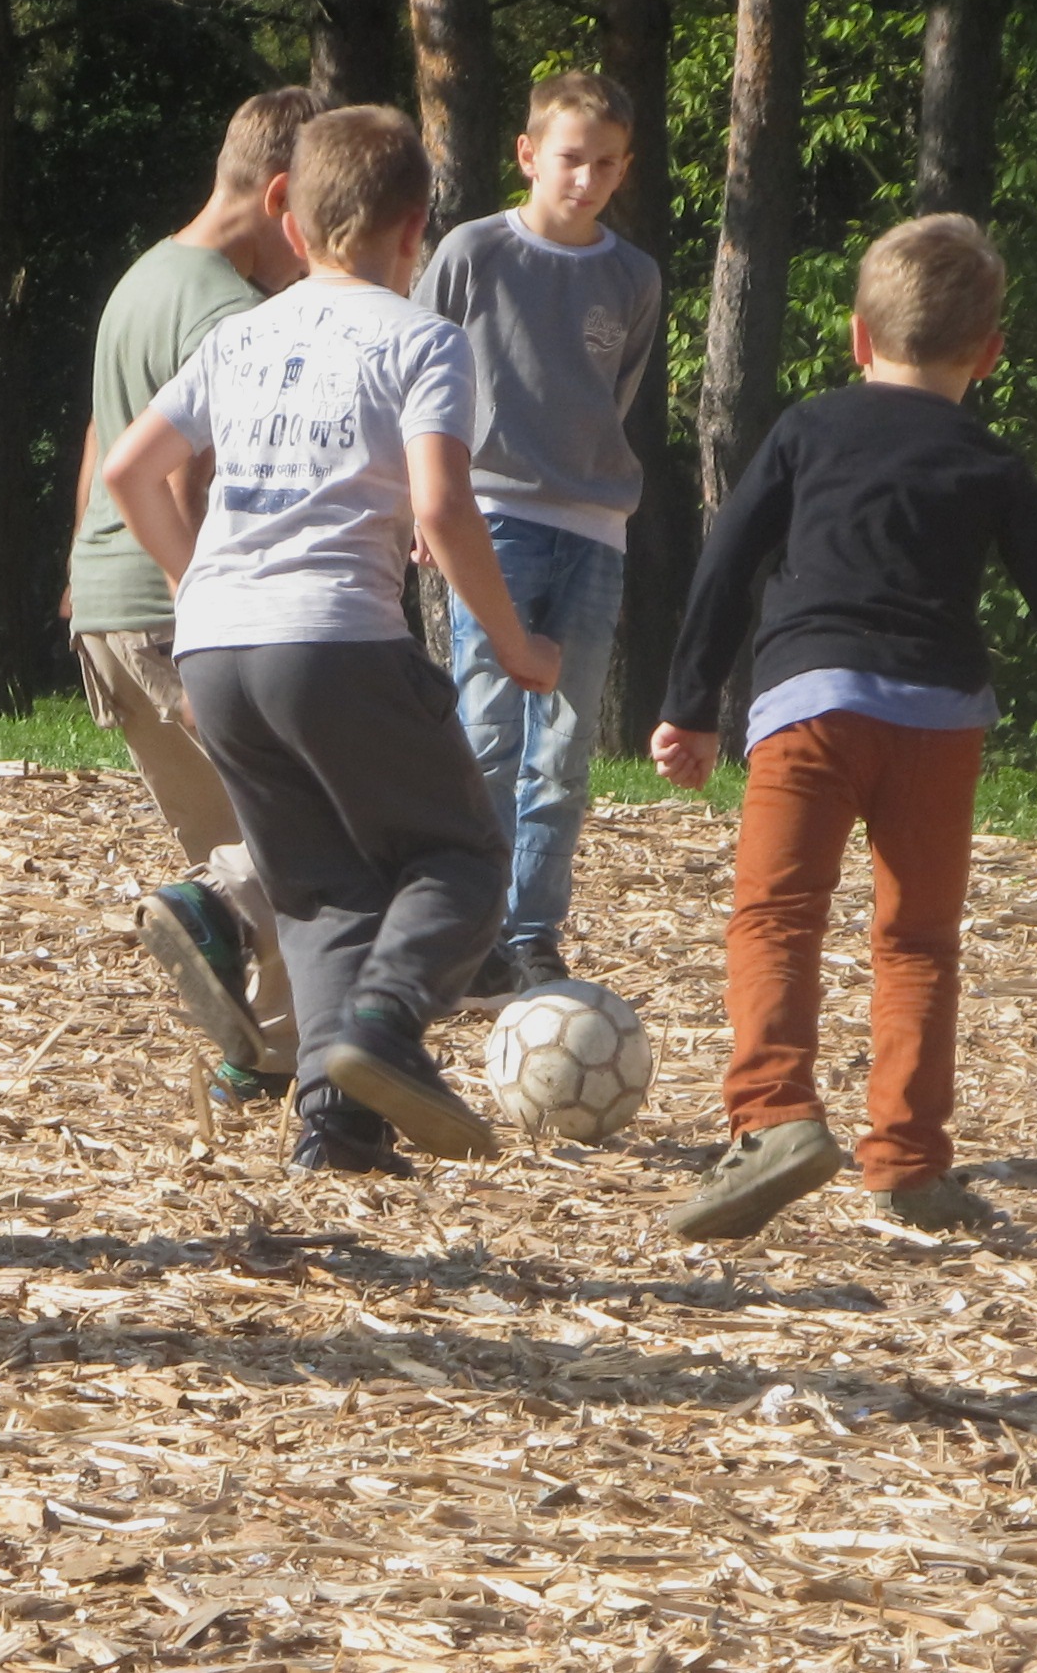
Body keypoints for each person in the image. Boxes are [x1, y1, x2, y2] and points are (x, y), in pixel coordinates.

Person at [648, 213, 1037, 1240]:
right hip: (937, 723)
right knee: (916, 940)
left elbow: (726, 562)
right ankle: (909, 1165)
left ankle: (774, 1115)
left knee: (777, 916)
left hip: (809, 707)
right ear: (990, 351)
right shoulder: (992, 461)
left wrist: (687, 703)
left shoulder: (805, 427)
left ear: (854, 336)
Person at [102, 106, 561, 1174]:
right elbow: (443, 510)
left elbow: (129, 469)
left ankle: (336, 1124)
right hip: (335, 638)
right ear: (417, 229)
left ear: (290, 220)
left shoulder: (240, 332)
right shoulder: (422, 339)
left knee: (320, 889)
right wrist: (516, 643)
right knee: (458, 857)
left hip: (215, 648)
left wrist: (197, 581)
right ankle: (382, 1023)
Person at [68, 86, 319, 1109]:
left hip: (105, 603)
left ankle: (262, 1066)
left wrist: (76, 574)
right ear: (275, 198)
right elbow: (180, 476)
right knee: (299, 836)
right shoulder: (226, 309)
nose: (314, 254)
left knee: (244, 849)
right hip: (177, 609)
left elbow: (102, 442)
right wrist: (206, 600)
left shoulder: (142, 277)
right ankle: (277, 1063)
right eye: (313, 226)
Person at [418, 69, 660, 995]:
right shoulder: (473, 253)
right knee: (488, 731)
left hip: (594, 525)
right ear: (527, 155)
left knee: (563, 750)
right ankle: (468, 929)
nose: (584, 179)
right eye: (568, 159)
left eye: (605, 164)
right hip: (491, 518)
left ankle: (531, 932)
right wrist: (420, 504)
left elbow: (616, 396)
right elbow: (419, 380)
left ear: (623, 169)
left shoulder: (632, 277)